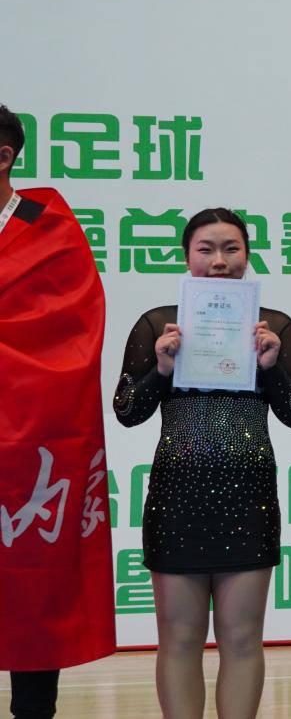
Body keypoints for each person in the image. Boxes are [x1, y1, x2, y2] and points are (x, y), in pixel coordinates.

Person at [113, 208, 291, 719]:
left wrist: (270, 368)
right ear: (187, 257)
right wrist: (161, 368)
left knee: (242, 639)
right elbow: (127, 410)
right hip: (177, 499)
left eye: (231, 248)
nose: (219, 261)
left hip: (248, 500)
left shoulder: (276, 327)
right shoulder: (158, 324)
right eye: (206, 249)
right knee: (178, 639)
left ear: (247, 256)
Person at [0, 104, 116, 719]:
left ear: (3, 157)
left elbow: (71, 335)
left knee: (32, 585)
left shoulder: (50, 228)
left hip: (32, 444)